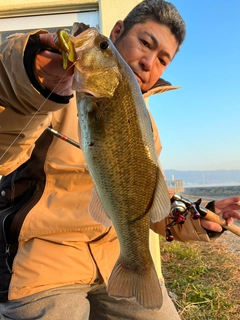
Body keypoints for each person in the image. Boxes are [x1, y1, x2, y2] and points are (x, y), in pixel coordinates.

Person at [0, 0, 239, 319]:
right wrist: (28, 77)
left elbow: (151, 203)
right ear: (116, 32)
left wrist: (202, 214)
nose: (148, 62)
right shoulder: (48, 89)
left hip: (118, 258)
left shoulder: (148, 127)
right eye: (145, 43)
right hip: (42, 265)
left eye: (162, 59)